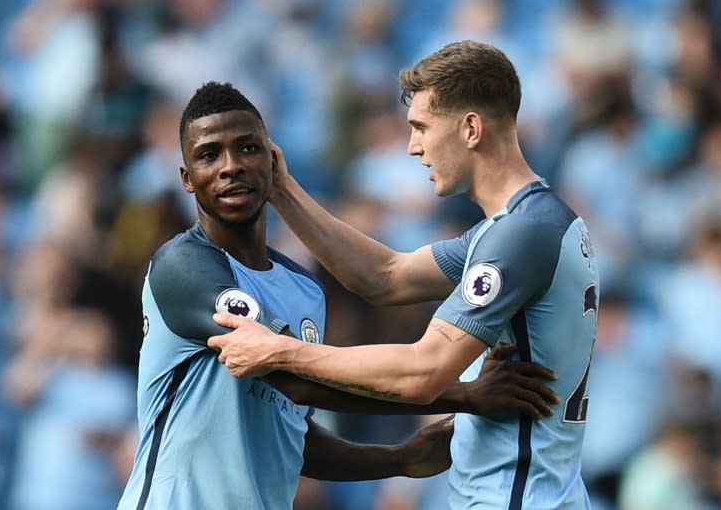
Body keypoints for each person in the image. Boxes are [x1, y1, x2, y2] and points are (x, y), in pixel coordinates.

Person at [116, 81, 560, 510]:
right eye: (209, 155)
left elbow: (293, 427)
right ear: (187, 178)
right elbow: (289, 374)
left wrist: (400, 459)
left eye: (248, 148)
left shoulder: (304, 287)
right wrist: (461, 395)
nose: (231, 165)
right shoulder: (184, 267)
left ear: (273, 161)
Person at [208, 40, 600, 509]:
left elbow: (425, 371)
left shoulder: (521, 237)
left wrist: (282, 351)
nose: (414, 147)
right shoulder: (525, 226)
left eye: (421, 128)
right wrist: (283, 189)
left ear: (471, 128)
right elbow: (386, 276)